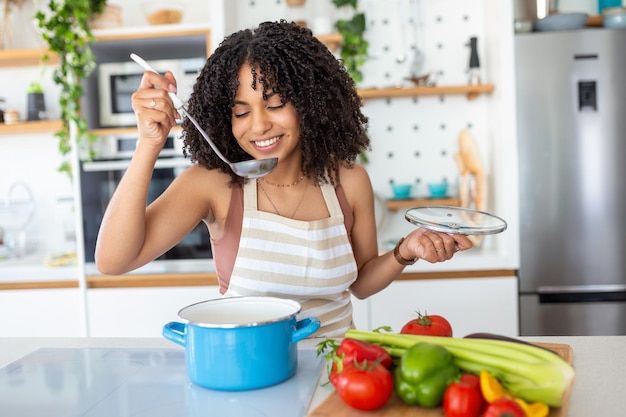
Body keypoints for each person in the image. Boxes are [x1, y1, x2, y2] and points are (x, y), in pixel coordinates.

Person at [95, 20, 473, 337]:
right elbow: (112, 260)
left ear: (310, 102)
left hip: (340, 371)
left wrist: (403, 252)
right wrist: (148, 142)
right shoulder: (214, 184)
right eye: (241, 113)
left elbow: (360, 284)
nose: (259, 126)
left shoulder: (348, 180)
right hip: (251, 373)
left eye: (275, 105)